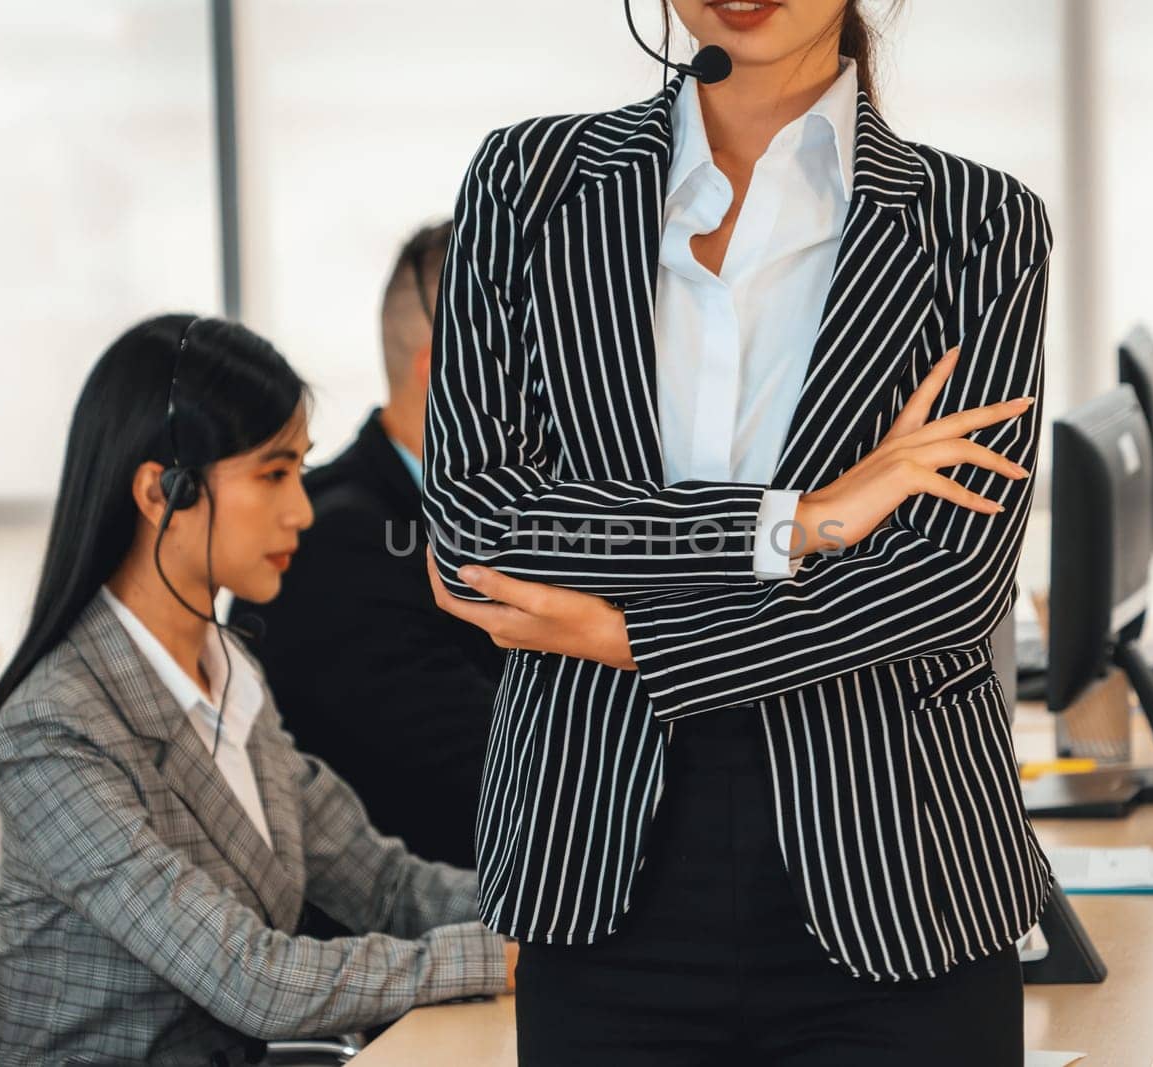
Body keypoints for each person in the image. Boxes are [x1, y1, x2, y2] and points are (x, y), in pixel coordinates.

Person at [422, 1, 1052, 1062]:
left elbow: (945, 582)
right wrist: (796, 522)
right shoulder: (528, 181)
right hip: (594, 862)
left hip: (897, 875)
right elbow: (482, 519)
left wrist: (625, 636)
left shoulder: (976, 224)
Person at [0, 315, 514, 1066]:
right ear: (165, 492)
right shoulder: (55, 723)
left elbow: (383, 883)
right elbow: (248, 976)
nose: (304, 509)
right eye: (273, 473)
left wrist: (548, 924)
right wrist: (494, 957)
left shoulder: (230, 674)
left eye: (300, 469)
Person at [234, 222, 502, 871]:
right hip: (410, 934)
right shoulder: (335, 544)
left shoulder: (478, 517)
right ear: (442, 369)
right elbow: (499, 782)